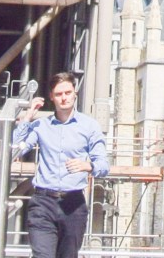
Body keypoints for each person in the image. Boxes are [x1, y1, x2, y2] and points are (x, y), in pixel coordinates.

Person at [13, 72, 106, 258]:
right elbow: (15, 149)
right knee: (42, 255)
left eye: (67, 92)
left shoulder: (89, 126)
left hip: (73, 204)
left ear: (74, 94)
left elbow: (103, 165)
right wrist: (27, 118)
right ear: (51, 97)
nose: (64, 98)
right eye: (58, 94)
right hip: (43, 202)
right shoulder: (41, 126)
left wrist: (87, 166)